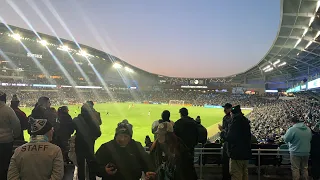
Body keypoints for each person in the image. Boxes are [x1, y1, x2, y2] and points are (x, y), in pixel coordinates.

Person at [74, 102, 102, 180]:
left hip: (79, 144)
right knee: (91, 165)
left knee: (81, 165)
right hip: (90, 144)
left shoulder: (77, 119)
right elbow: (98, 131)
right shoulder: (93, 120)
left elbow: (70, 129)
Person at [225, 105, 251, 180]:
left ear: (233, 114)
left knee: (236, 174)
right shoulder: (245, 120)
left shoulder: (236, 122)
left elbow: (230, 138)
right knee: (244, 174)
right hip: (245, 153)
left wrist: (223, 133)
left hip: (237, 154)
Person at [0, 91, 21, 180]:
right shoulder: (8, 110)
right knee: (5, 164)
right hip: (6, 141)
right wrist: (15, 136)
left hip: (6, 141)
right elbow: (16, 125)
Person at [284, 116, 312, 180]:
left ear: (293, 122)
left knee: (295, 168)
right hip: (306, 152)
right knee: (304, 168)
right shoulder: (308, 129)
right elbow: (310, 139)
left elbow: (286, 139)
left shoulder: (292, 129)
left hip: (295, 152)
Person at [219, 103, 233, 180]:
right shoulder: (235, 118)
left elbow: (226, 132)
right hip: (233, 144)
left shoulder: (227, 118)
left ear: (230, 109)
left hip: (228, 144)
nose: (224, 110)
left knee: (226, 161)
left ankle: (226, 177)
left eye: (226, 108)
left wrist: (222, 130)